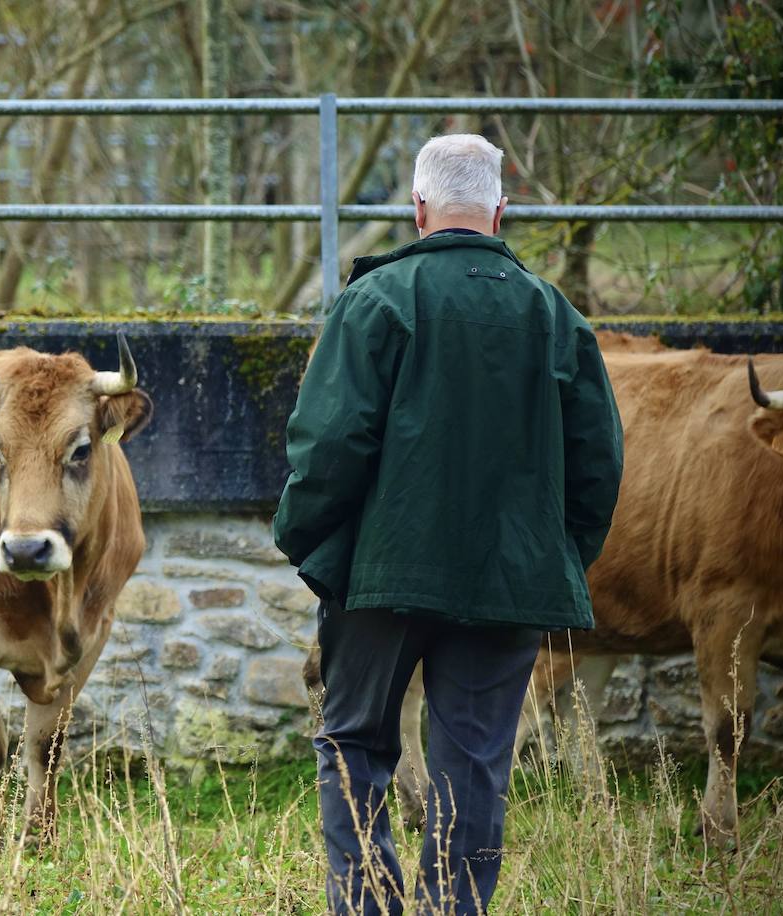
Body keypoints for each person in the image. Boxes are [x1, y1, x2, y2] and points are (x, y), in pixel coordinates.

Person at [274, 134, 623, 915]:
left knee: (355, 745)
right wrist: (551, 556)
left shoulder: (375, 302)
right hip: (510, 580)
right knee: (474, 768)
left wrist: (311, 547)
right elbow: (598, 466)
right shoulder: (556, 318)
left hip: (379, 575)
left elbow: (327, 449)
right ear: (502, 210)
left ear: (418, 207)